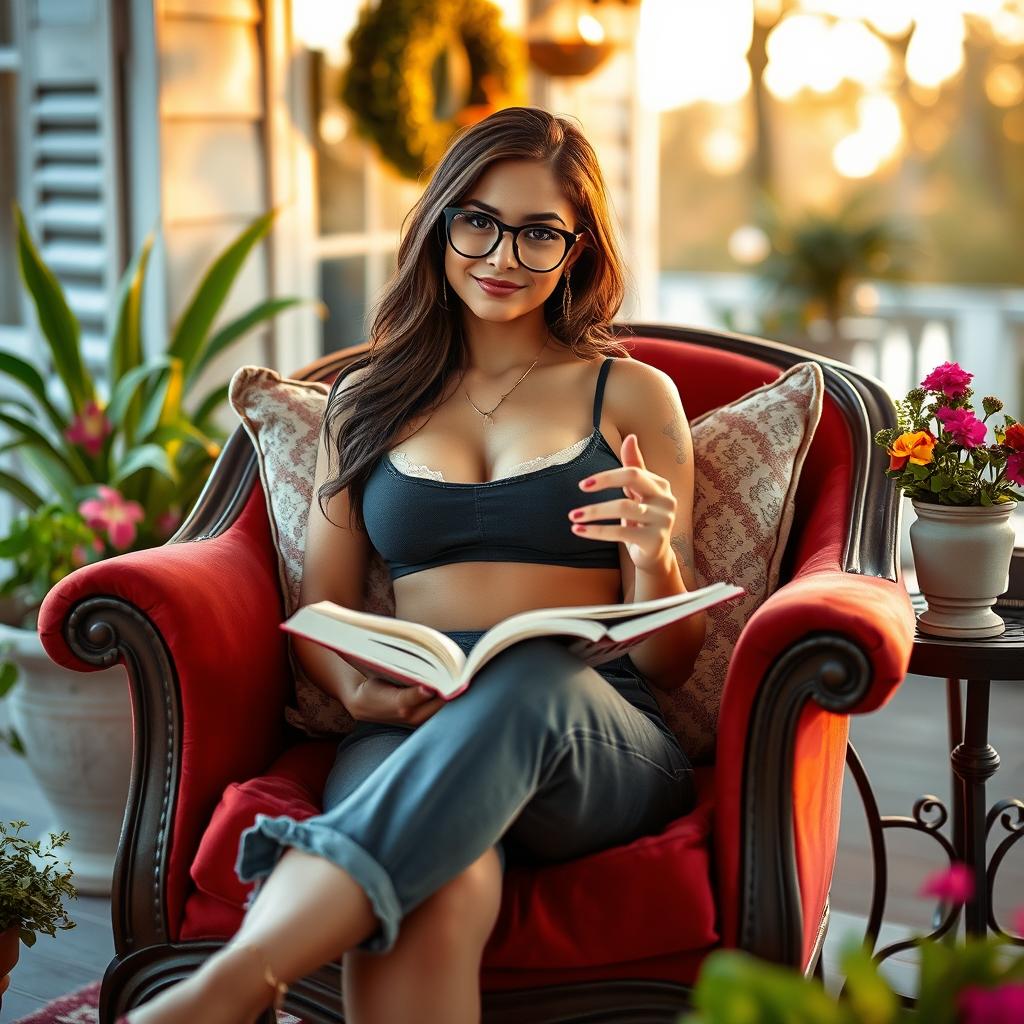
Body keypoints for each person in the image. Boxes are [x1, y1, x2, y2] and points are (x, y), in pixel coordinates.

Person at [129, 105, 706, 1024]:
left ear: (578, 250)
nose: (502, 256)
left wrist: (653, 558)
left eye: (538, 234)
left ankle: (225, 991)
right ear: (439, 224)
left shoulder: (631, 393)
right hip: (405, 720)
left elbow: (672, 661)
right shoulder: (366, 400)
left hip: (592, 734)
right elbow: (322, 611)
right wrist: (355, 694)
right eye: (477, 220)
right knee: (437, 881)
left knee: (524, 682)